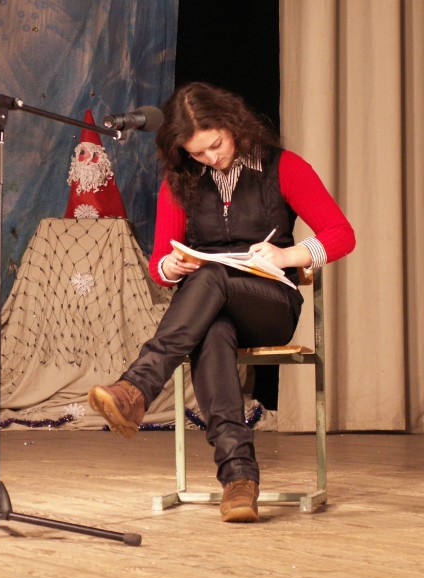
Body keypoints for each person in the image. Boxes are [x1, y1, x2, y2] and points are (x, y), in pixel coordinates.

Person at [88, 82, 355, 523]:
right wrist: (171, 266)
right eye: (198, 153)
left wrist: (288, 255)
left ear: (234, 125)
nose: (211, 158)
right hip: (208, 310)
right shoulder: (180, 180)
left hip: (270, 305)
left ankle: (137, 387)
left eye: (216, 145)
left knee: (211, 278)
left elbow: (342, 234)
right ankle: (239, 480)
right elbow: (159, 266)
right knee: (211, 332)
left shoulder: (283, 166)